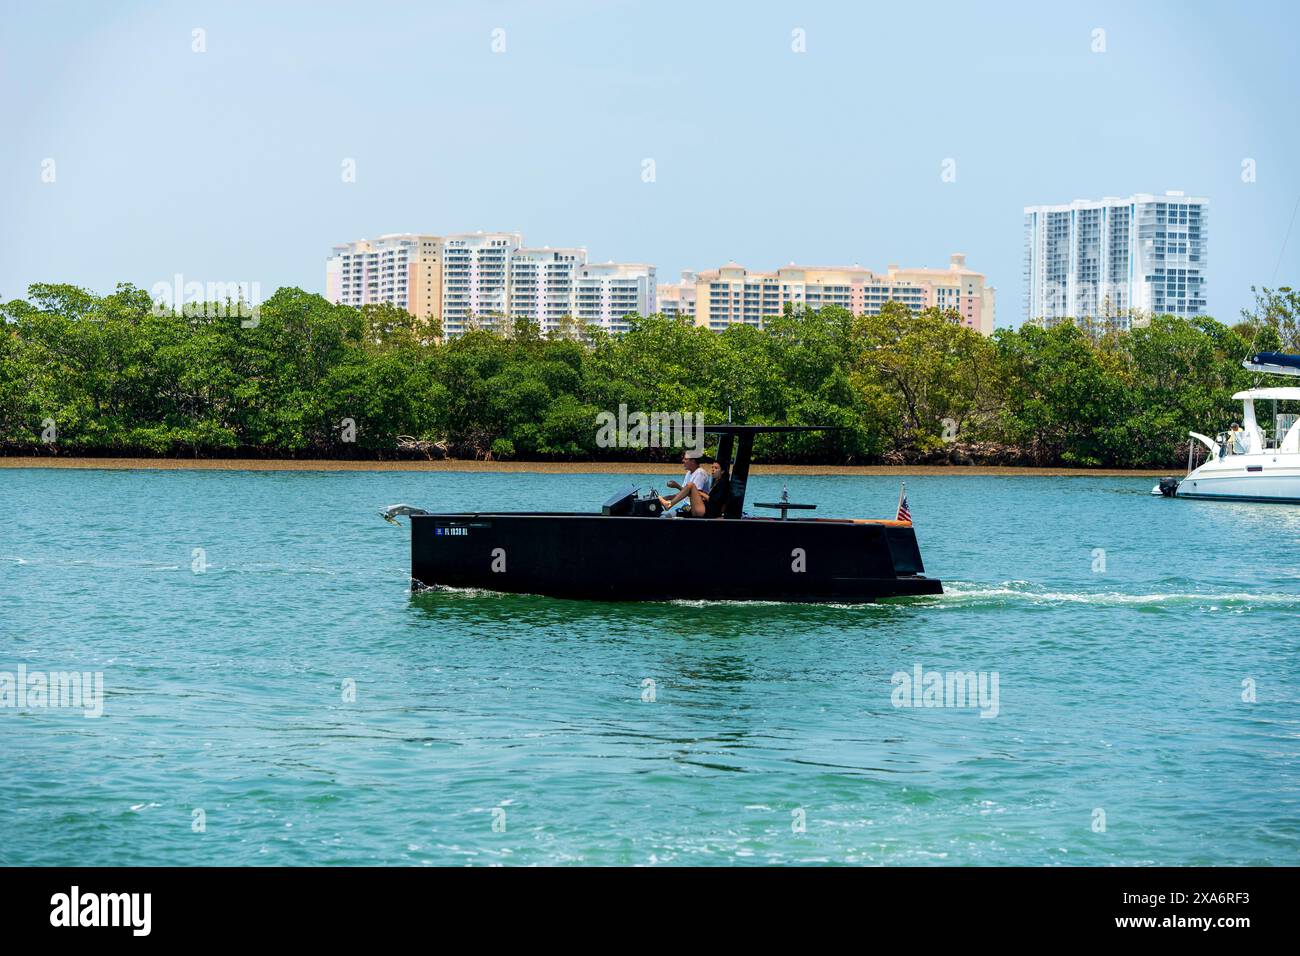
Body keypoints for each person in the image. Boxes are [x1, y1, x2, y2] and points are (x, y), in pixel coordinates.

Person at [658, 451, 710, 517]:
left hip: (695, 508)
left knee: (666, 516)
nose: (683, 460)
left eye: (685, 459)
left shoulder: (700, 473)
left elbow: (693, 494)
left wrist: (677, 486)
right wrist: (667, 497)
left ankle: (669, 504)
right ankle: (668, 504)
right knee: (664, 515)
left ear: (693, 461)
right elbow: (683, 493)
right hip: (686, 507)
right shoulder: (689, 472)